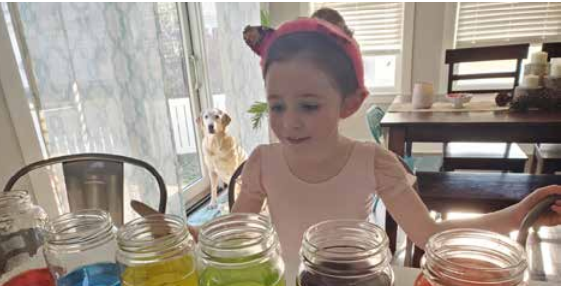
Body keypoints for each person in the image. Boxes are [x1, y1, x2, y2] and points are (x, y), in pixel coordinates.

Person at [234, 18, 561, 262]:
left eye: (308, 105)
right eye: (277, 105)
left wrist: (518, 215)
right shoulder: (263, 163)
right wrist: (189, 237)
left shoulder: (373, 162)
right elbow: (230, 237)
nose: (289, 121)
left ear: (349, 101)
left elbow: (429, 235)